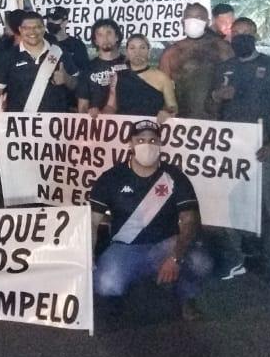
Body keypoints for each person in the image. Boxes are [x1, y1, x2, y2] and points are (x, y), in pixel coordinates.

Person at [88, 119, 212, 321]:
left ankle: (187, 298)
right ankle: (121, 295)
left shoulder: (175, 177)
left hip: (167, 244)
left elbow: (190, 221)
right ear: (131, 144)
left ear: (160, 144)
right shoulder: (111, 178)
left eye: (153, 140)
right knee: (105, 284)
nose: (148, 145)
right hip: (126, 247)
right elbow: (92, 222)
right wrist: (88, 254)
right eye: (141, 139)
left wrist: (175, 258)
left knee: (200, 262)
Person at [209, 17, 270, 287]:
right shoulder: (224, 68)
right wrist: (215, 98)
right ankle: (235, 260)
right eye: (237, 33)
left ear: (256, 35)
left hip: (263, 148)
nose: (242, 37)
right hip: (231, 149)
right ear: (229, 35)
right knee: (229, 207)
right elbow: (211, 110)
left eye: (247, 33)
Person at [0, 10, 74, 117]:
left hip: (54, 124)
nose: (32, 32)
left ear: (43, 29)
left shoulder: (60, 52)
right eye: (27, 28)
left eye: (37, 27)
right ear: (20, 30)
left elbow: (79, 85)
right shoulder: (8, 56)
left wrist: (67, 78)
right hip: (19, 124)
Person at [158, 3, 233, 120]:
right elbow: (163, 89)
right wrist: (165, 111)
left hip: (217, 119)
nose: (193, 21)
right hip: (181, 118)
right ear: (182, 21)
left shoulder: (222, 48)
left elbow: (234, 81)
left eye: (199, 18)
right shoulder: (172, 52)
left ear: (207, 22)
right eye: (189, 17)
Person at [108, 33, 176, 122]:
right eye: (132, 48)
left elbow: (173, 107)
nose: (137, 52)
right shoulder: (118, 76)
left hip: (151, 131)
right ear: (126, 52)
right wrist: (100, 115)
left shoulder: (162, 78)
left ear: (149, 51)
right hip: (124, 129)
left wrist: (166, 112)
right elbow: (111, 106)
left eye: (142, 48)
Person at [77, 18, 127, 115]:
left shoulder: (129, 65)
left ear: (117, 37)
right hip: (97, 125)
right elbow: (82, 106)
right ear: (95, 41)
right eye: (100, 35)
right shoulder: (87, 68)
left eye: (109, 33)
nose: (105, 38)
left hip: (126, 124)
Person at [44, 7, 89, 89]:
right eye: (48, 19)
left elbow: (84, 74)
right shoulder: (41, 42)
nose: (50, 22)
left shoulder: (77, 45)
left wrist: (67, 77)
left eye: (55, 19)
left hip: (69, 96)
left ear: (65, 22)